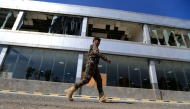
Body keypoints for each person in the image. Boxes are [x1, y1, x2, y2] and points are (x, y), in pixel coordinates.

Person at [65, 37, 111, 103]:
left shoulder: (93, 47)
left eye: (99, 42)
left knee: (99, 80)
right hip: (91, 66)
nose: (99, 43)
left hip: (94, 67)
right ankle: (70, 90)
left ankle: (102, 97)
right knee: (86, 79)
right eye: (98, 41)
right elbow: (96, 52)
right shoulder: (94, 46)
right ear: (95, 41)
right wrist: (106, 59)